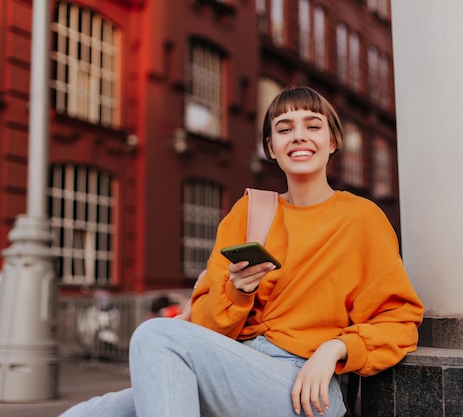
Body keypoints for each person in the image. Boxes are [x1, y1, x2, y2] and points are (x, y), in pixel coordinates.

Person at [59, 86, 423, 417]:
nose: (298, 136)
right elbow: (203, 324)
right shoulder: (249, 212)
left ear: (332, 142)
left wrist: (335, 349)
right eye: (284, 129)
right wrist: (238, 291)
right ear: (270, 148)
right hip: (229, 365)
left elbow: (399, 320)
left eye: (313, 126)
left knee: (155, 334)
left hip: (302, 385)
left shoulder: (362, 218)